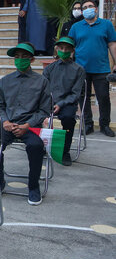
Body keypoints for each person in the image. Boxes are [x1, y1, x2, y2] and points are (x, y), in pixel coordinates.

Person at [0, 42, 50, 205]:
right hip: (8, 124)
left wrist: (27, 125)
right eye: (17, 57)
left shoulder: (41, 82)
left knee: (36, 147)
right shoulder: (5, 81)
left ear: (32, 60)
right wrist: (5, 121)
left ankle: (33, 187)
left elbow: (44, 110)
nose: (20, 60)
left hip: (31, 126)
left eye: (24, 57)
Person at [68, 0, 116, 137]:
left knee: (104, 98)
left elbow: (112, 44)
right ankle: (88, 124)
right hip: (81, 69)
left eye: (90, 6)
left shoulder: (106, 25)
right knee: (83, 98)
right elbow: (70, 47)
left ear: (95, 9)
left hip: (101, 68)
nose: (88, 9)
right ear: (82, 11)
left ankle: (104, 125)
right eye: (85, 7)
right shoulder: (76, 27)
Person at [42, 37, 85, 165]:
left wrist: (60, 104)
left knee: (68, 118)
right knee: (36, 114)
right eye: (61, 48)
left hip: (67, 103)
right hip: (50, 101)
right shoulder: (49, 69)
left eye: (67, 48)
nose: (64, 50)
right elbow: (43, 89)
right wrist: (48, 103)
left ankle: (65, 151)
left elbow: (75, 93)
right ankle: (42, 145)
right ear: (57, 49)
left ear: (72, 50)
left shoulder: (78, 70)